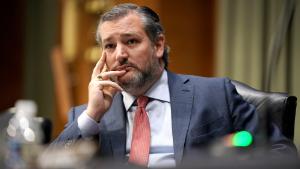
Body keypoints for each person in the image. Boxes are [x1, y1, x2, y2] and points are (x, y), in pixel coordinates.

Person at [52, 3, 297, 168]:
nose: (120, 55)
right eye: (110, 46)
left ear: (158, 46)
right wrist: (92, 115)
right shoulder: (89, 117)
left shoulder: (214, 95)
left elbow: (281, 153)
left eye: (131, 41)